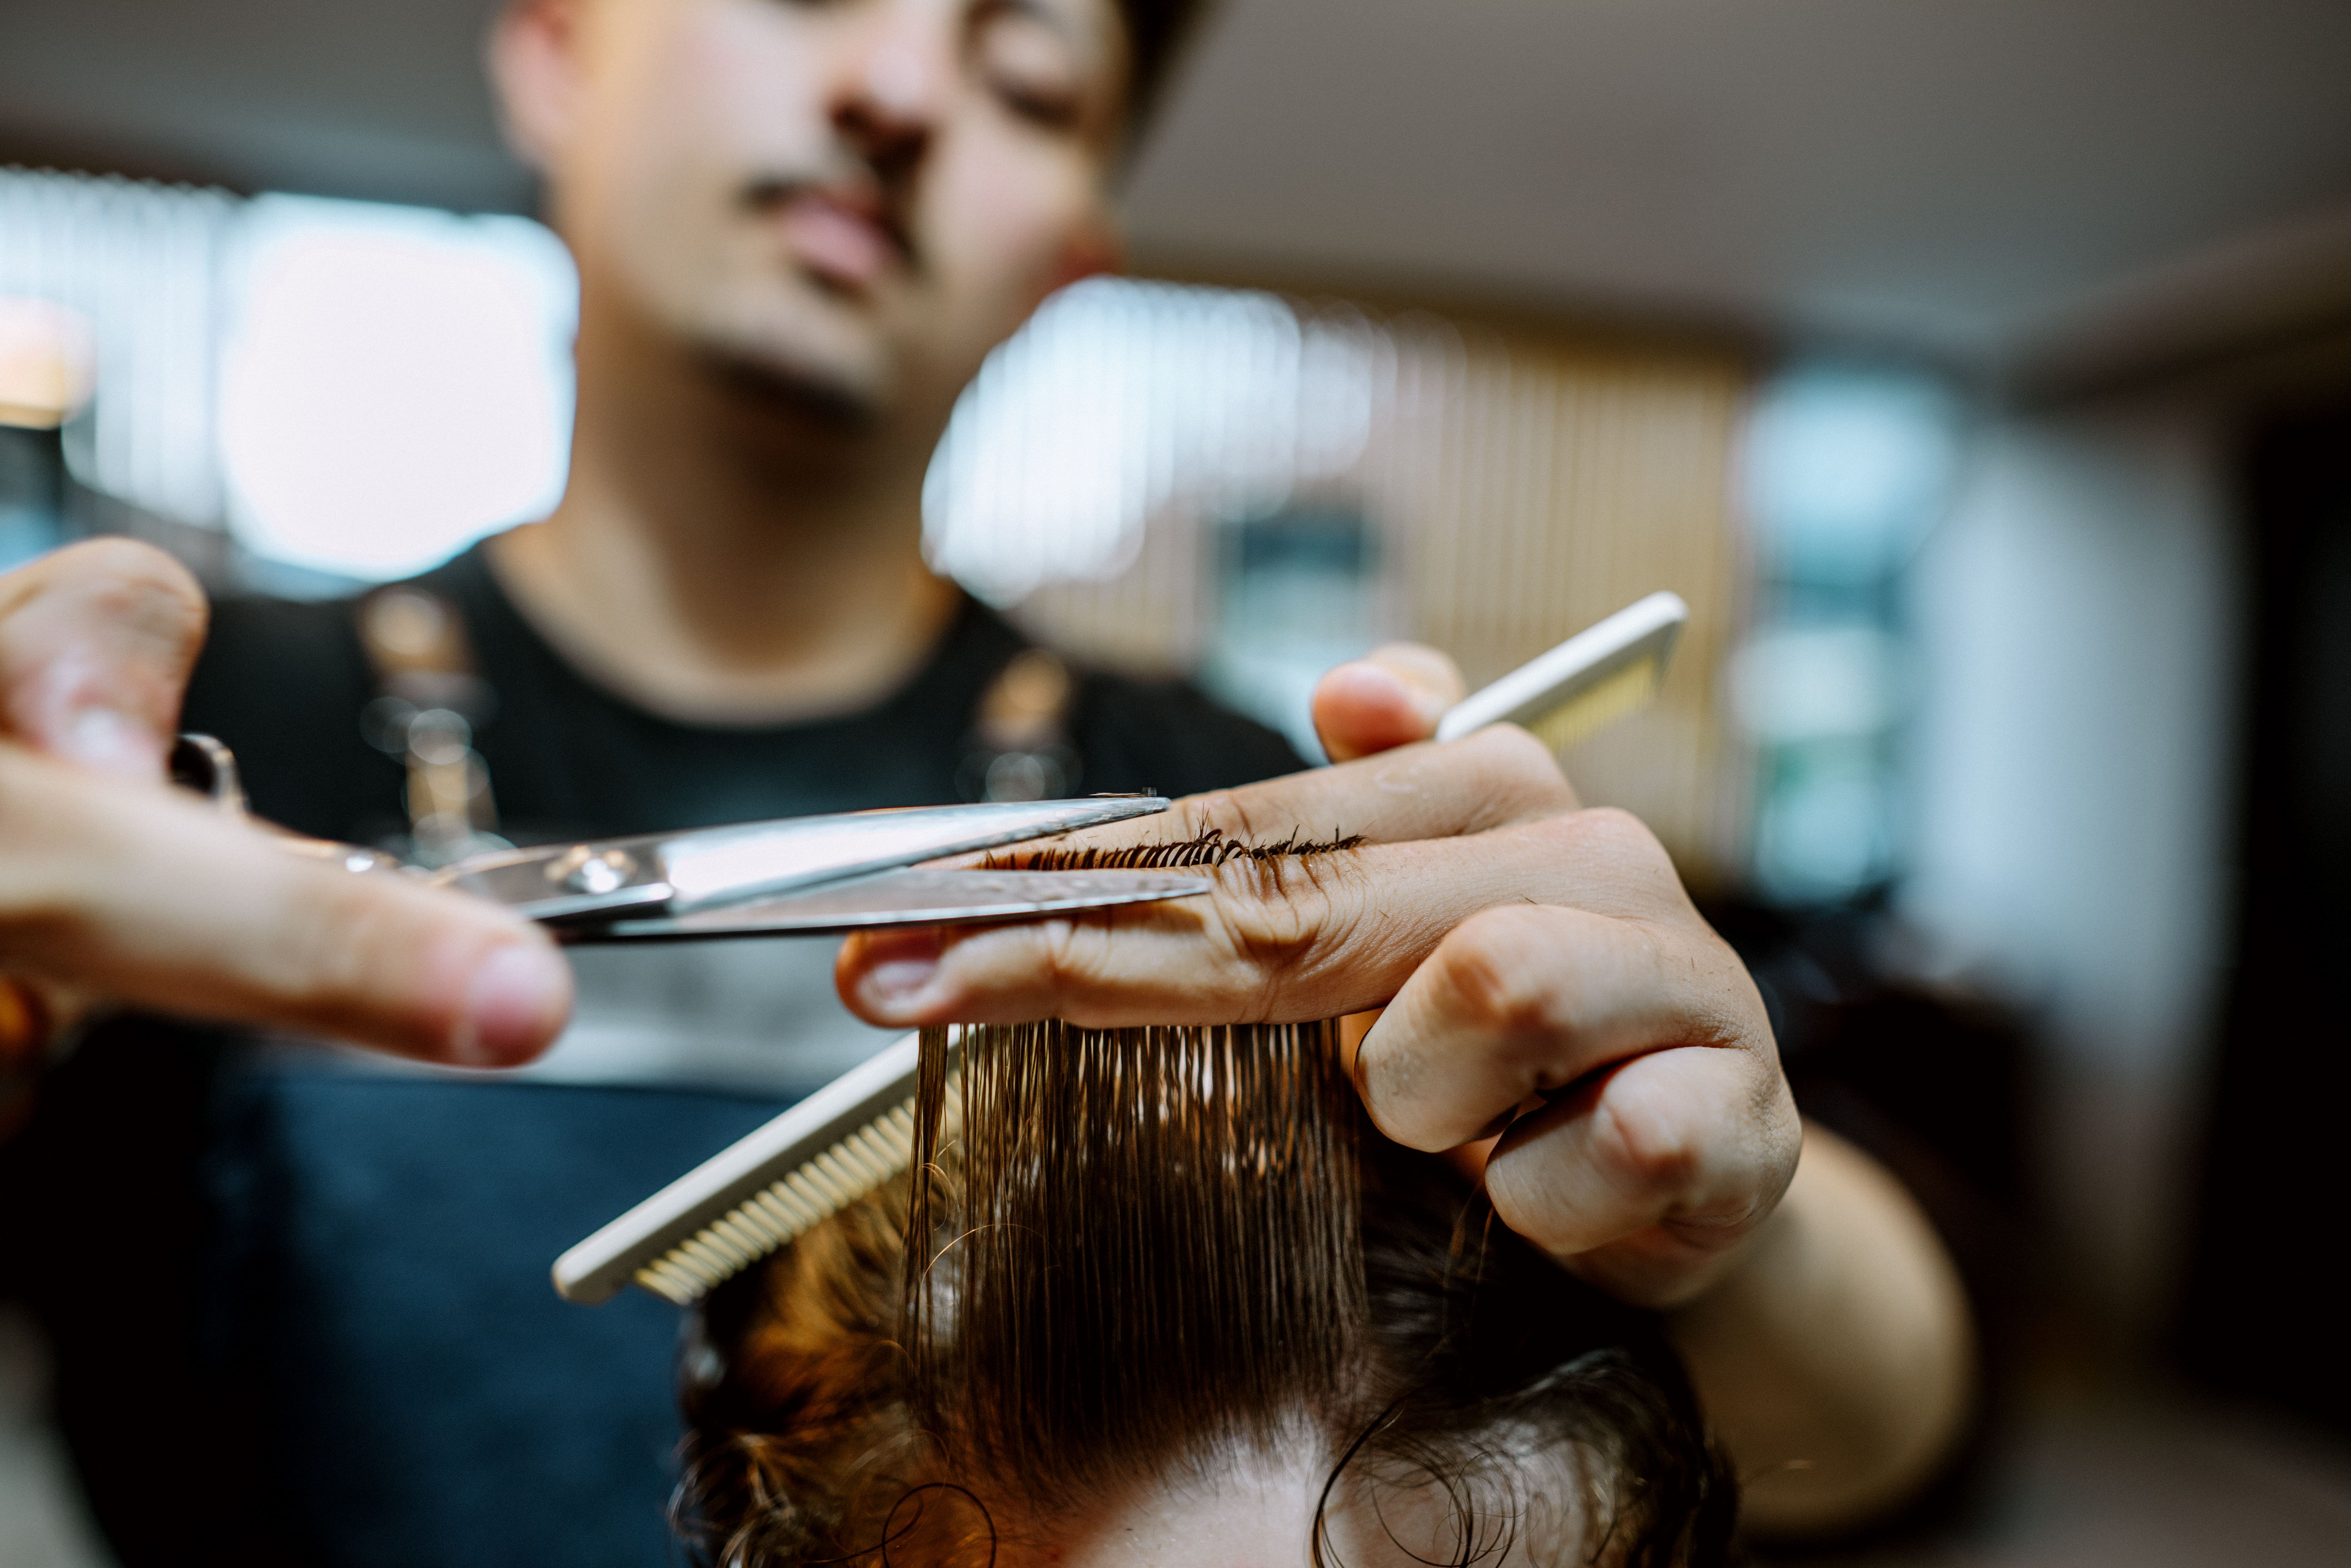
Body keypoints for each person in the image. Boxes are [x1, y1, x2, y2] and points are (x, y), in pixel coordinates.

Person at [0, 0, 1972, 1559]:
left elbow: (1886, 1430)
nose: (894, 87)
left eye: (1023, 70)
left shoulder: (1245, 824)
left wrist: (1718, 1205)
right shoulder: (154, 763)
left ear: (1076, 248)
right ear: (550, 47)